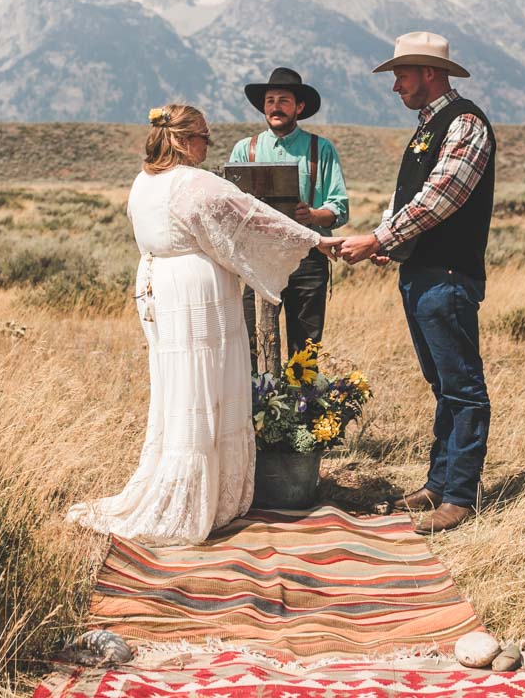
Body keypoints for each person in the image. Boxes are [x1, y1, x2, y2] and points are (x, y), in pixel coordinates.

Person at [67, 104, 343, 545]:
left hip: (156, 284)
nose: (208, 146)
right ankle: (200, 497)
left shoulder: (143, 182)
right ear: (181, 139)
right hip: (194, 293)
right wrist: (315, 241)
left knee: (178, 388)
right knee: (205, 385)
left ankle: (187, 484)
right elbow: (255, 219)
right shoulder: (196, 183)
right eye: (203, 138)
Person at [338, 32, 494, 534]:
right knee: (443, 384)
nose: (395, 86)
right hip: (424, 273)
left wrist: (379, 237)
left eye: (401, 75)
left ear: (429, 72)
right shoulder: (431, 127)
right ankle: (439, 482)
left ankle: (460, 495)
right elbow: (414, 198)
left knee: (462, 387)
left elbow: (440, 198)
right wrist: (390, 244)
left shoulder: (465, 122)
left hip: (447, 276)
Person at [230, 67, 349, 370]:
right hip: (260, 259)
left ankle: (303, 413)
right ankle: (259, 411)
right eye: (270, 101)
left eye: (283, 100)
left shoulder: (320, 149)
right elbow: (230, 204)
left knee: (305, 350)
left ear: (299, 107)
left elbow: (339, 208)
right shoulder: (246, 149)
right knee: (252, 344)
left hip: (307, 259)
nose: (275, 107)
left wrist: (313, 214)